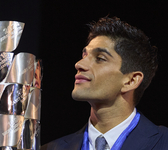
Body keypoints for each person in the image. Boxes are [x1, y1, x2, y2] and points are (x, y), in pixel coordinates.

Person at [41, 16, 168, 150]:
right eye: (84, 56)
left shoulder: (163, 143)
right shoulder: (50, 148)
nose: (79, 64)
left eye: (100, 58)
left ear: (131, 81)